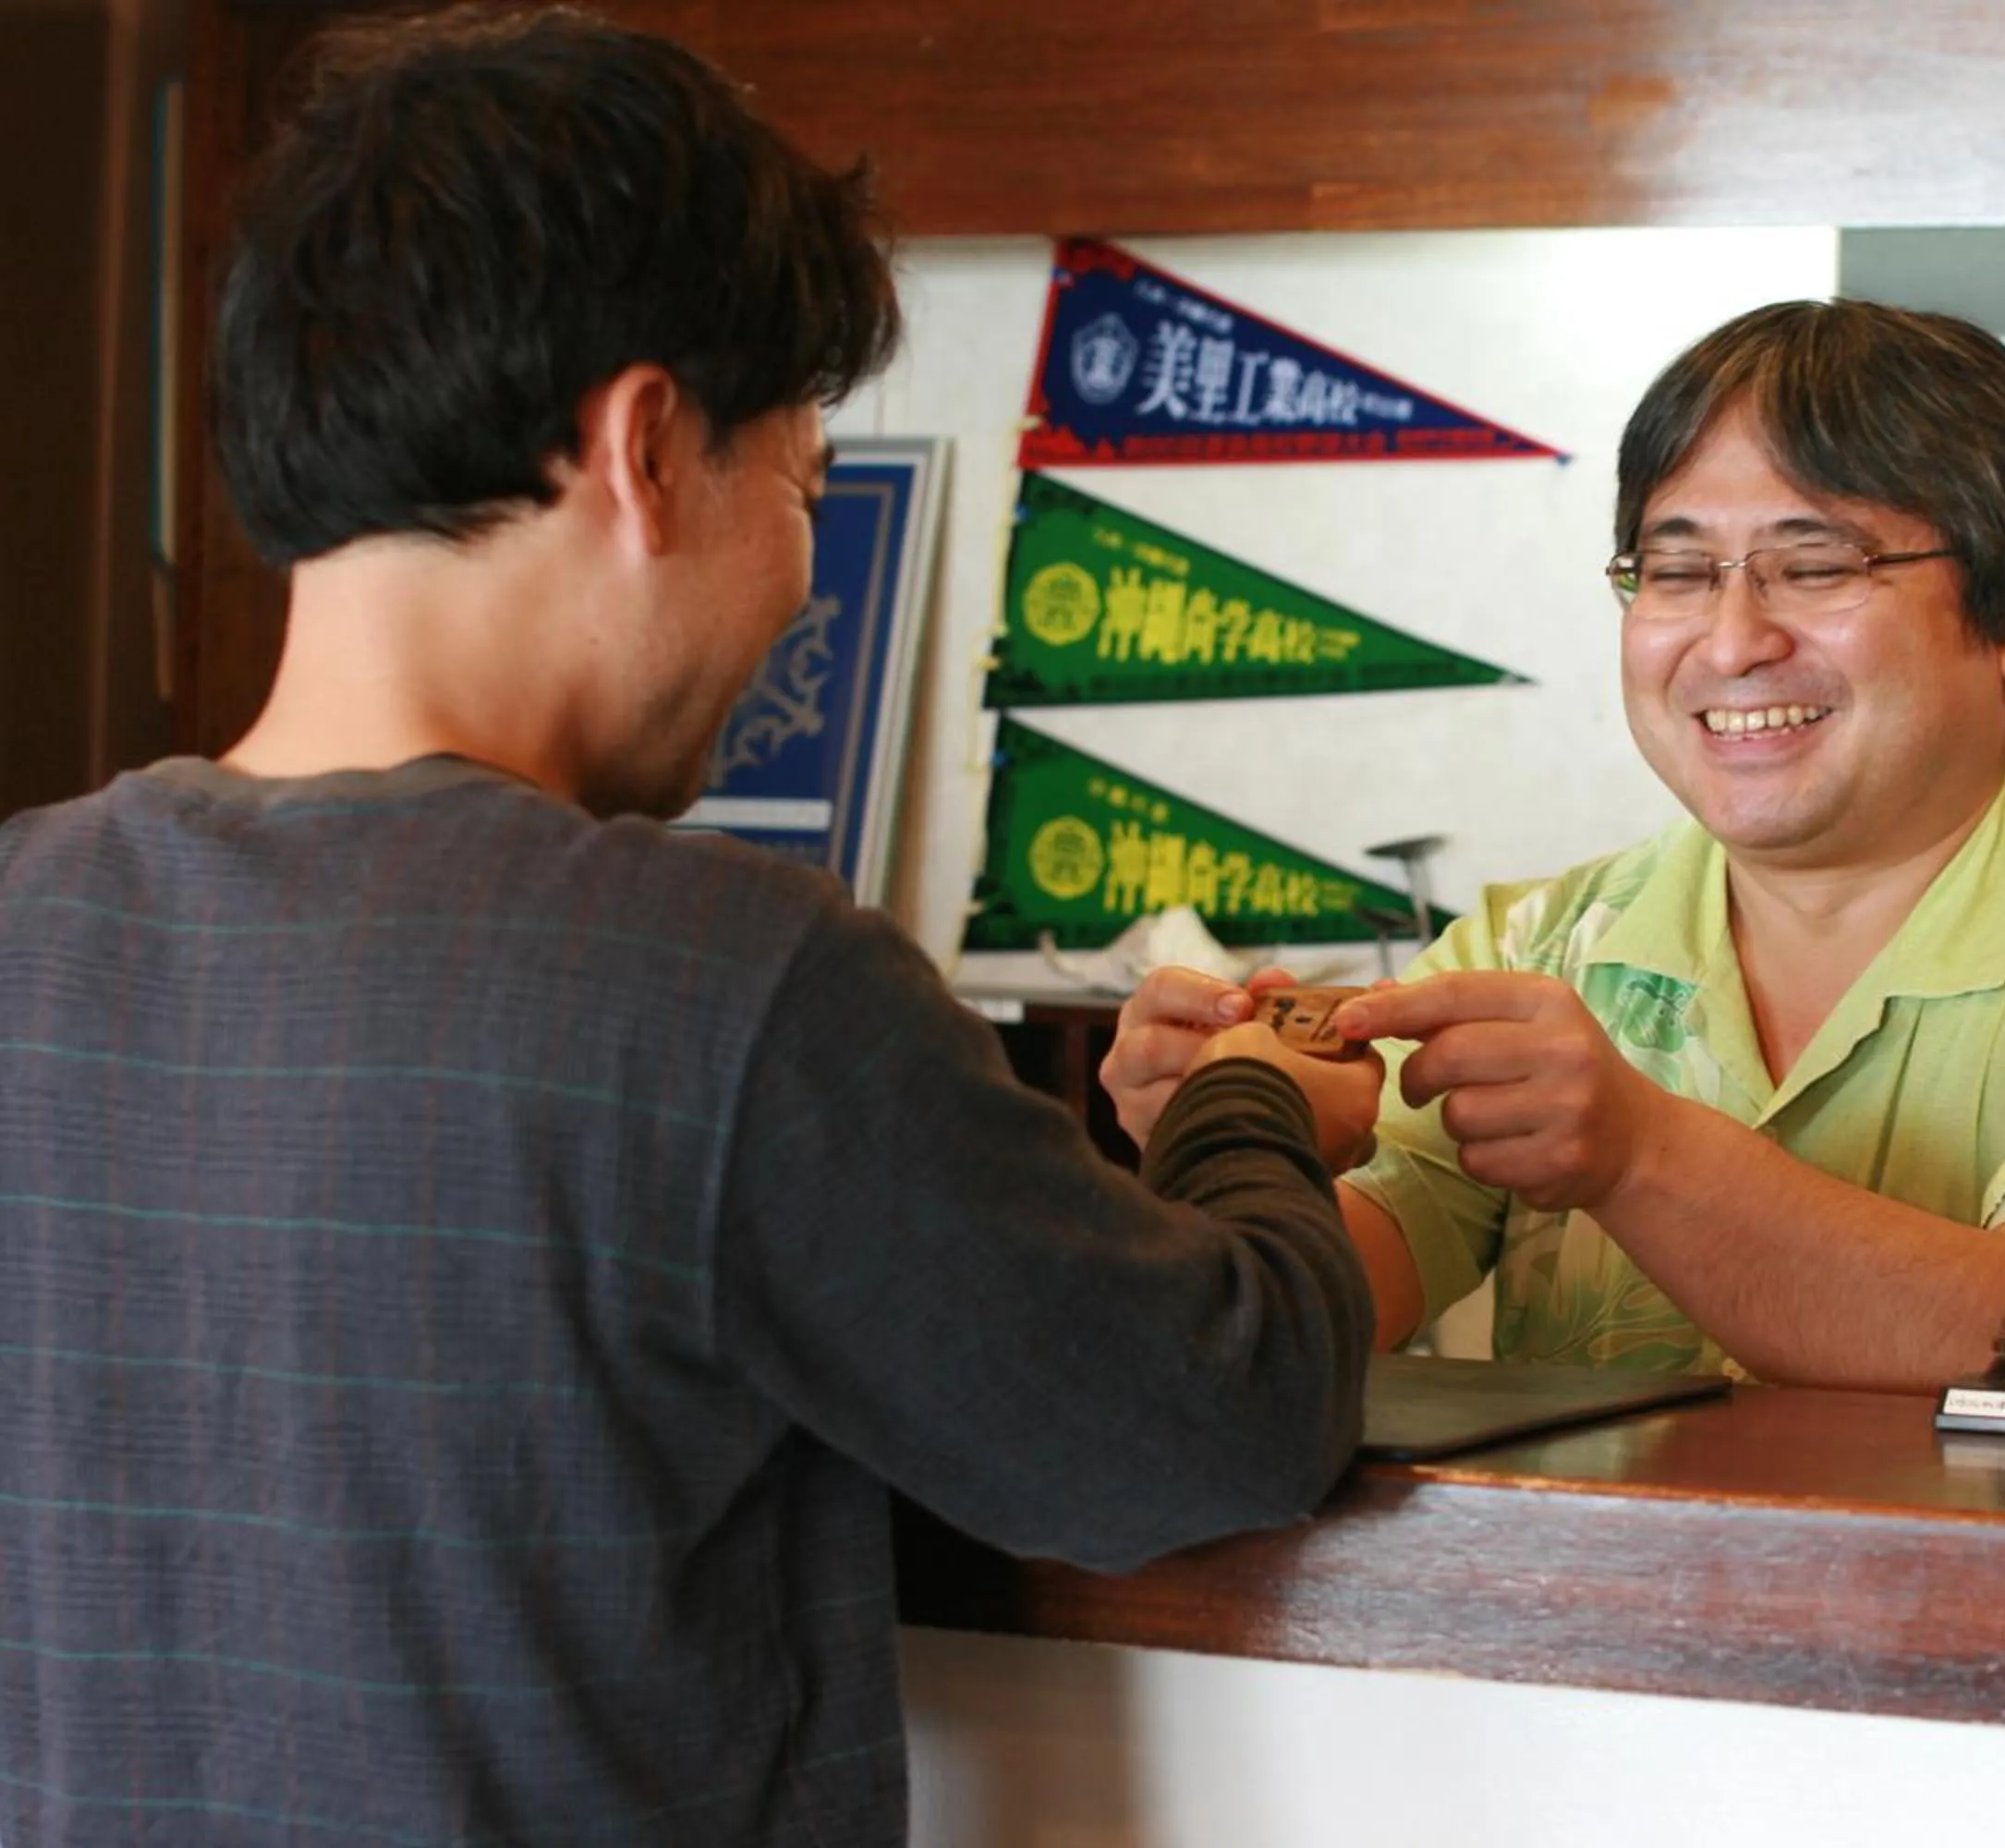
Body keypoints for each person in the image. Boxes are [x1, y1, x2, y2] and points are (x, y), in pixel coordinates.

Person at [0, 9, 1379, 1846]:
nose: (803, 593)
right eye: (803, 485)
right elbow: (1209, 1419)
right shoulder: (722, 980)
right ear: (648, 447)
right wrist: (1252, 1107)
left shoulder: (27, 910)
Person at [1108, 298, 2005, 1423]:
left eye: (1816, 567)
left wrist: (1640, 1155)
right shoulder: (1536, 952)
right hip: (1582, 1669)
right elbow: (1293, 1321)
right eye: (1678, 570)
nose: (1732, 639)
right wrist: (1230, 1132)